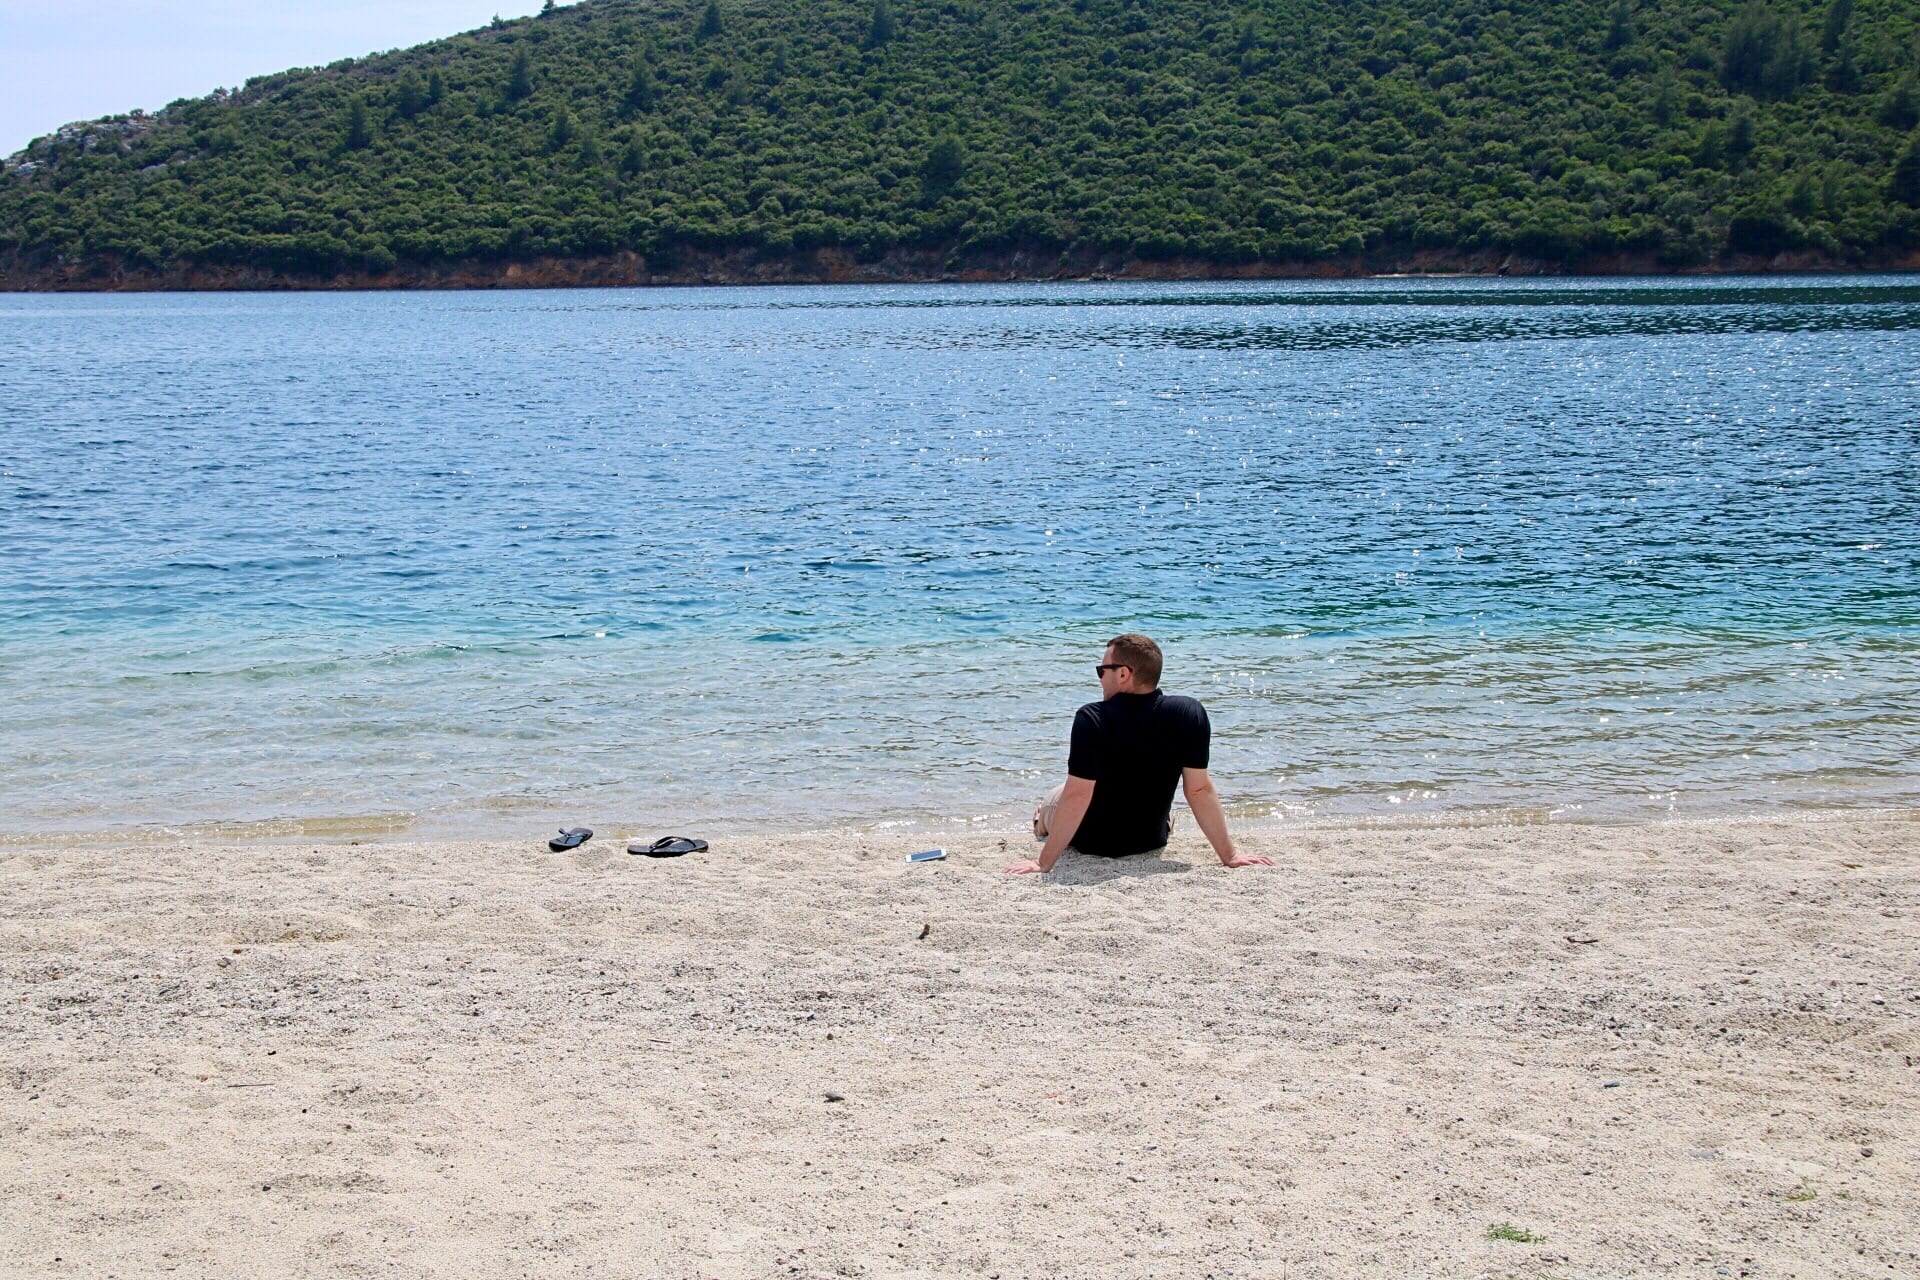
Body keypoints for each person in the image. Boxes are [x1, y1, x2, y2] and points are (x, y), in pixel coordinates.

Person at [1005, 633, 1273, 875]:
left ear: (1123, 674)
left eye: (1102, 670)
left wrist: (1043, 864)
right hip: (1151, 839)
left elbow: (1078, 795)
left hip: (1090, 841)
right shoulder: (1188, 713)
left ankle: (1041, 818)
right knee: (1163, 805)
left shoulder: (1091, 717)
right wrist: (1230, 855)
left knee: (1058, 796)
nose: (1099, 677)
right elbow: (1199, 790)